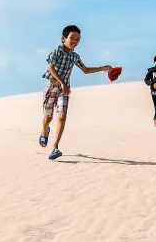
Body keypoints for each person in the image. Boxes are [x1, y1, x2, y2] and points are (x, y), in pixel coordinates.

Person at [39, 24, 114, 160]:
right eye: (72, 38)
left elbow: (85, 70)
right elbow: (50, 68)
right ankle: (44, 132)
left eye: (78, 39)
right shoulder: (57, 51)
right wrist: (61, 81)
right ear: (63, 38)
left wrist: (103, 68)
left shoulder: (75, 56)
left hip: (64, 90)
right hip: (51, 87)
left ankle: (55, 147)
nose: (75, 41)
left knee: (62, 116)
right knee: (47, 119)